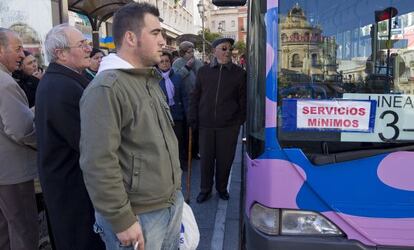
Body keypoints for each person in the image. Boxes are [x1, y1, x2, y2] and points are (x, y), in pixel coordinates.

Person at [79, 3, 183, 250]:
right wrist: (121, 219)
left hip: (167, 205)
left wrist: (175, 195)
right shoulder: (107, 88)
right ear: (130, 37)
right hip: (138, 216)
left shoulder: (146, 80)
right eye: (155, 33)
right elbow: (97, 161)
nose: (163, 42)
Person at [35, 24, 105, 250]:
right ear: (61, 54)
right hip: (73, 192)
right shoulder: (62, 87)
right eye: (82, 44)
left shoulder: (66, 80)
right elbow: (89, 144)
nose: (88, 49)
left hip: (72, 187)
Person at [188, 37, 246, 203]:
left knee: (225, 160)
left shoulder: (239, 74)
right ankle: (205, 189)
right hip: (206, 125)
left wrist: (238, 121)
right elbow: (195, 96)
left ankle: (221, 188)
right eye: (224, 48)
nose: (228, 51)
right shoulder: (203, 72)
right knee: (206, 160)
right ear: (214, 51)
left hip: (228, 127)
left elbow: (244, 101)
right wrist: (193, 116)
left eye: (229, 49)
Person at [0, 28, 38, 250]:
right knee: (24, 231)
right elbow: (21, 130)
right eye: (17, 49)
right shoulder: (5, 83)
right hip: (14, 174)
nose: (23, 55)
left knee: (5, 233)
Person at [157, 51, 188, 170]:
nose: (164, 64)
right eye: (162, 61)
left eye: (167, 61)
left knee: (178, 140)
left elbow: (184, 96)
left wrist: (187, 113)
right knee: (163, 142)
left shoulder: (177, 78)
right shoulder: (154, 79)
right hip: (161, 116)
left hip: (177, 115)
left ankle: (180, 162)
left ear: (170, 63)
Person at [172, 41, 203, 160]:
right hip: (183, 100)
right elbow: (176, 78)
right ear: (183, 53)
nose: (192, 54)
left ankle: (195, 151)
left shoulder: (198, 62)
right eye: (189, 52)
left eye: (192, 51)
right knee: (185, 128)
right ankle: (186, 152)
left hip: (196, 98)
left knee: (196, 127)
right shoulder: (177, 63)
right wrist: (187, 67)